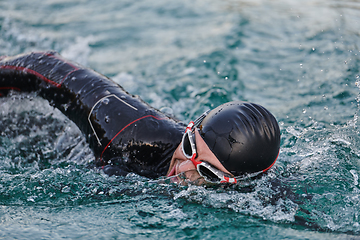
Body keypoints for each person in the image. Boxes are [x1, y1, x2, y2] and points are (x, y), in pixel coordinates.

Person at [0, 51, 280, 185]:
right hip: (56, 145)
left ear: (235, 182)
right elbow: (47, 67)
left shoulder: (252, 191)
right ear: (190, 129)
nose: (183, 169)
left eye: (206, 172)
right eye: (189, 147)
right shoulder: (130, 131)